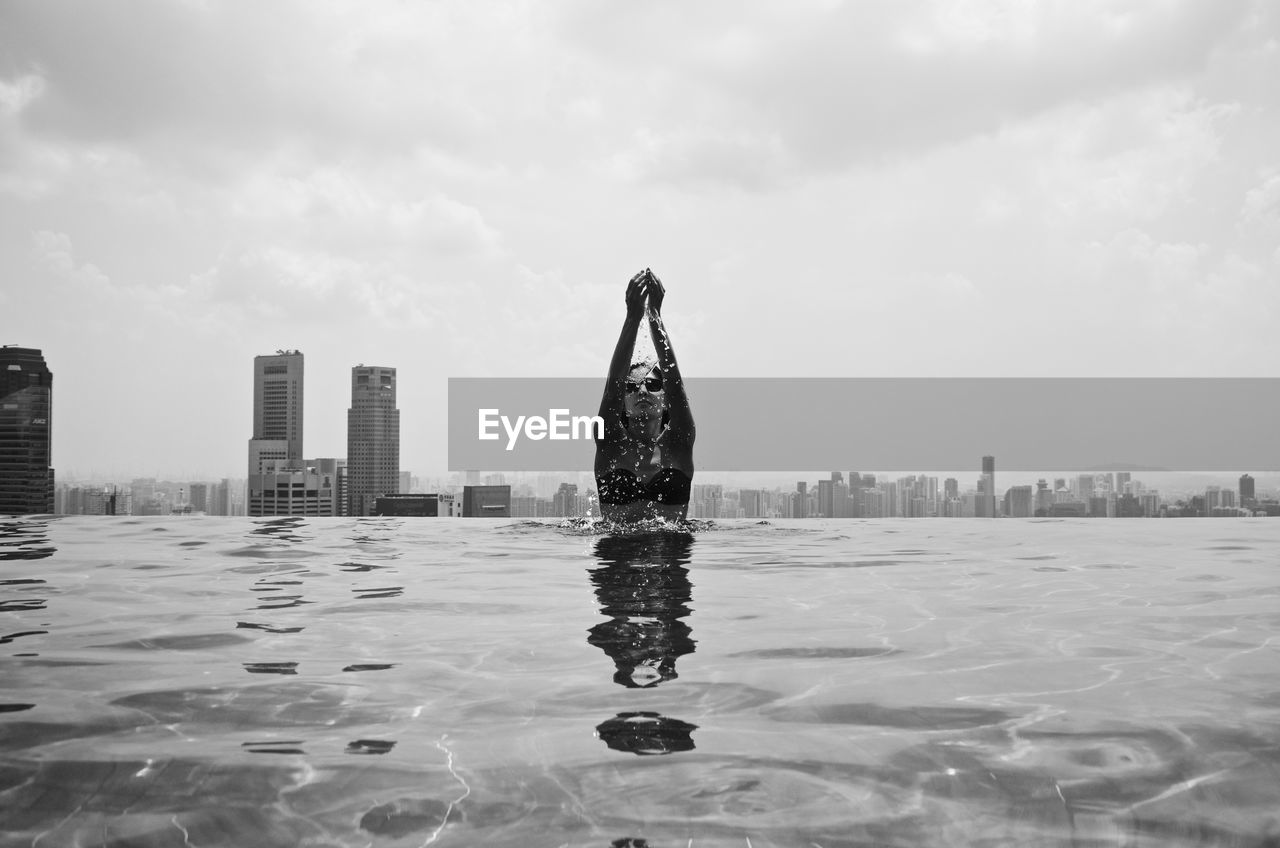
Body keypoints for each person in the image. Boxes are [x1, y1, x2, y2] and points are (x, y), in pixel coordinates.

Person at [594, 269, 695, 522]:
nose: (641, 390)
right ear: (623, 403)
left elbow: (676, 385)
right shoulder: (610, 444)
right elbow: (610, 391)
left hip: (672, 557)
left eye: (652, 384)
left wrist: (654, 316)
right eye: (632, 386)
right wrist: (632, 317)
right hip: (616, 559)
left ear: (665, 399)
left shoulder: (679, 442)